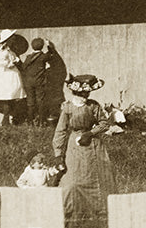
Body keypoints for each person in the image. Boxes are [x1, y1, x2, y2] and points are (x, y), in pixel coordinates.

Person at [53, 74, 115, 228]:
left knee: (97, 180)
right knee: (72, 182)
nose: (86, 95)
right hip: (74, 146)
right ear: (76, 92)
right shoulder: (68, 107)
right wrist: (58, 154)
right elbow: (61, 131)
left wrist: (90, 133)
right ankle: (73, 215)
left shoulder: (93, 106)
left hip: (93, 145)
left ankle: (98, 216)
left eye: (87, 93)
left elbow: (104, 123)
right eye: (83, 93)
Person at [22, 37, 51, 127]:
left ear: (32, 46)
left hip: (28, 82)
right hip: (39, 82)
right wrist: (49, 45)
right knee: (40, 101)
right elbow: (51, 53)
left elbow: (23, 67)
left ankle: (30, 122)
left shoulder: (28, 57)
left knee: (30, 102)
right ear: (42, 46)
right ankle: (41, 122)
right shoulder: (43, 57)